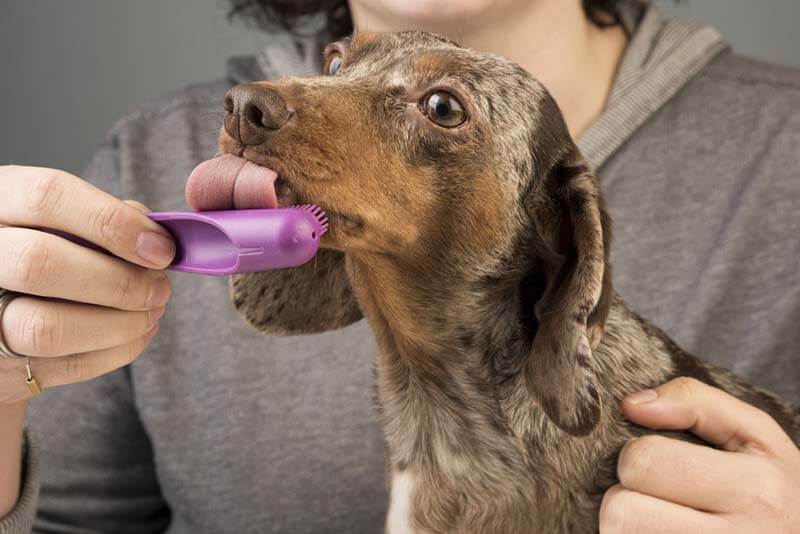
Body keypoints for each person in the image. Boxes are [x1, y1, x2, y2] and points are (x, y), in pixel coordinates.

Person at [1, 0, 799, 531]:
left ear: (555, 230)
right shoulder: (143, 161)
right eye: (343, 65)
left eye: (443, 107)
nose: (262, 106)